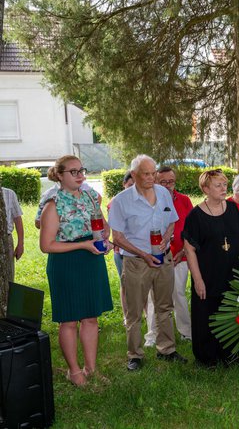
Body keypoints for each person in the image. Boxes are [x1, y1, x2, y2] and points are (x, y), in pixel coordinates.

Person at [39, 155, 112, 385]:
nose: (80, 175)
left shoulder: (91, 195)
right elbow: (46, 245)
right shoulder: (53, 204)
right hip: (66, 264)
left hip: (92, 260)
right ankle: (74, 371)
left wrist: (105, 239)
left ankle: (90, 368)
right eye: (74, 172)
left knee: (90, 318)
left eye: (82, 170)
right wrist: (83, 245)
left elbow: (101, 222)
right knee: (69, 320)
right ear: (59, 175)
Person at [109, 154, 187, 371]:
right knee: (134, 312)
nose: (152, 177)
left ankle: (167, 350)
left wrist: (166, 238)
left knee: (165, 306)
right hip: (136, 262)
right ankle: (135, 355)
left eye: (154, 173)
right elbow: (118, 238)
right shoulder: (121, 201)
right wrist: (143, 254)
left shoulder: (163, 193)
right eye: (146, 174)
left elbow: (172, 222)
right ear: (134, 175)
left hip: (163, 259)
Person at [183, 170, 239, 366]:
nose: (224, 189)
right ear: (205, 189)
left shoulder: (232, 209)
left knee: (233, 311)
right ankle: (208, 357)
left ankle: (233, 353)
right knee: (208, 313)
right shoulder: (196, 216)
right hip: (209, 275)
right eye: (218, 185)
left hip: (235, 273)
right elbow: (189, 250)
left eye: (224, 184)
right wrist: (197, 280)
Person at [152, 166, 193, 341]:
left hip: (180, 256)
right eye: (163, 182)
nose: (168, 185)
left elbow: (193, 230)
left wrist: (183, 251)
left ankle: (185, 332)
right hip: (155, 256)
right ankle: (153, 335)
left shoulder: (184, 200)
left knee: (178, 294)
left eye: (171, 181)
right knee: (154, 298)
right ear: (155, 181)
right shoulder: (151, 199)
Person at [109, 171, 134, 325]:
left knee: (142, 285)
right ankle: (127, 316)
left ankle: (145, 312)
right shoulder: (116, 202)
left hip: (139, 251)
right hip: (121, 250)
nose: (132, 188)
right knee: (125, 284)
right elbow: (114, 228)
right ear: (124, 185)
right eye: (130, 185)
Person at [2, 186, 24, 282]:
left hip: (6, 241)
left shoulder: (9, 194)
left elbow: (18, 219)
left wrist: (20, 244)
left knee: (7, 277)